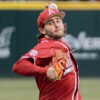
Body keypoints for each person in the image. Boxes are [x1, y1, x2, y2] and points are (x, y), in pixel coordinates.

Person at [12, 3, 81, 100]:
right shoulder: (46, 46)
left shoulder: (58, 44)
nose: (56, 25)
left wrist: (52, 8)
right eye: (50, 23)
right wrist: (45, 70)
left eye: (58, 21)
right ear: (42, 30)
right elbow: (18, 66)